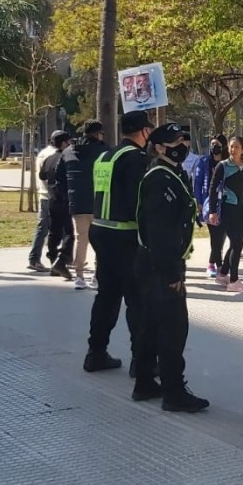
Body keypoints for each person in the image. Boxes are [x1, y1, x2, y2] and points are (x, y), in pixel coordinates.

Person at [131, 123, 210, 413]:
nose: (183, 145)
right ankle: (173, 391)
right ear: (161, 147)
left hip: (156, 262)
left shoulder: (170, 174)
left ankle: (145, 381)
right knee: (172, 329)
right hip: (160, 264)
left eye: (184, 140)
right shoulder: (160, 179)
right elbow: (160, 231)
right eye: (176, 141)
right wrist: (172, 273)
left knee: (151, 324)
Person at [84, 110, 154, 374]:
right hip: (125, 236)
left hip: (100, 229)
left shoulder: (105, 156)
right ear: (144, 131)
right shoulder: (136, 158)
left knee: (107, 296)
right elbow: (139, 202)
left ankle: (96, 352)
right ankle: (141, 362)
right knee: (137, 301)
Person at [58, 120, 107, 289]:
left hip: (77, 202)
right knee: (100, 241)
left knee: (81, 238)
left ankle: (79, 275)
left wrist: (68, 196)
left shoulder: (68, 152)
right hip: (99, 202)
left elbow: (58, 178)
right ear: (97, 133)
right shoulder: (104, 151)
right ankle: (97, 275)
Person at [207, 136, 243, 292]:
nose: (233, 149)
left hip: (242, 209)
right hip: (228, 208)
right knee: (238, 243)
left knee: (236, 243)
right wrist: (212, 211)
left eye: (237, 147)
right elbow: (212, 188)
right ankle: (234, 280)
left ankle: (223, 273)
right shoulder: (223, 166)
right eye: (231, 146)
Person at [27, 132, 67, 273]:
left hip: (44, 194)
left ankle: (64, 258)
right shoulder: (54, 155)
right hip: (50, 194)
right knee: (49, 228)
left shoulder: (44, 152)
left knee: (52, 229)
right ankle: (35, 259)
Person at [39, 130, 75, 281]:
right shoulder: (67, 157)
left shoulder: (49, 159)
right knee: (69, 231)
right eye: (69, 142)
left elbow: (42, 175)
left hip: (52, 197)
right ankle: (62, 260)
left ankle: (53, 257)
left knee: (54, 230)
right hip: (65, 198)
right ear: (64, 143)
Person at [195, 134, 227, 279]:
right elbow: (198, 182)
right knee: (215, 236)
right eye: (212, 144)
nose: (214, 147)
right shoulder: (204, 162)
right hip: (209, 204)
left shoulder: (228, 163)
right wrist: (199, 202)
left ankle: (217, 262)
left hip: (225, 204)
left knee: (221, 236)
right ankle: (213, 264)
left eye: (217, 144)